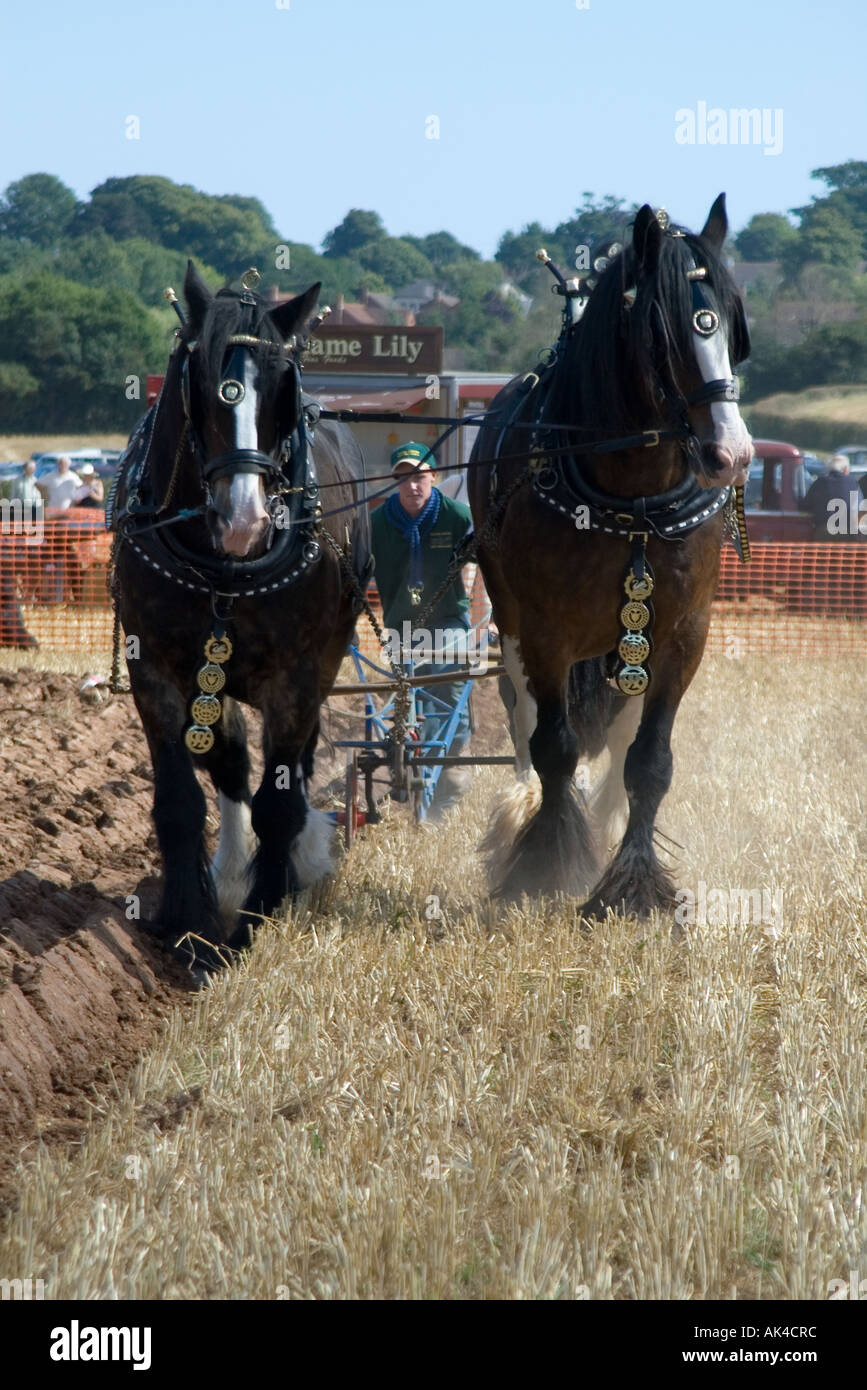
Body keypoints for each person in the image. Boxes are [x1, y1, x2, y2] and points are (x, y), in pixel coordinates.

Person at [370, 442, 474, 818]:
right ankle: (411, 769)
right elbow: (354, 573)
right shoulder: (377, 524)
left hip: (448, 620)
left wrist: (495, 618)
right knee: (406, 705)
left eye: (419, 476)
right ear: (395, 481)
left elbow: (496, 561)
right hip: (402, 625)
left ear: (433, 476)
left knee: (449, 696)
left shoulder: (457, 516)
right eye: (404, 478)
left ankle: (446, 777)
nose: (412, 485)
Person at [801, 454, 862, 541]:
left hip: (823, 530)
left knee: (821, 554)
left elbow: (805, 506)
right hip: (847, 532)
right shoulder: (853, 483)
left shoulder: (819, 483)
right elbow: (859, 509)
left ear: (828, 469)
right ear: (845, 470)